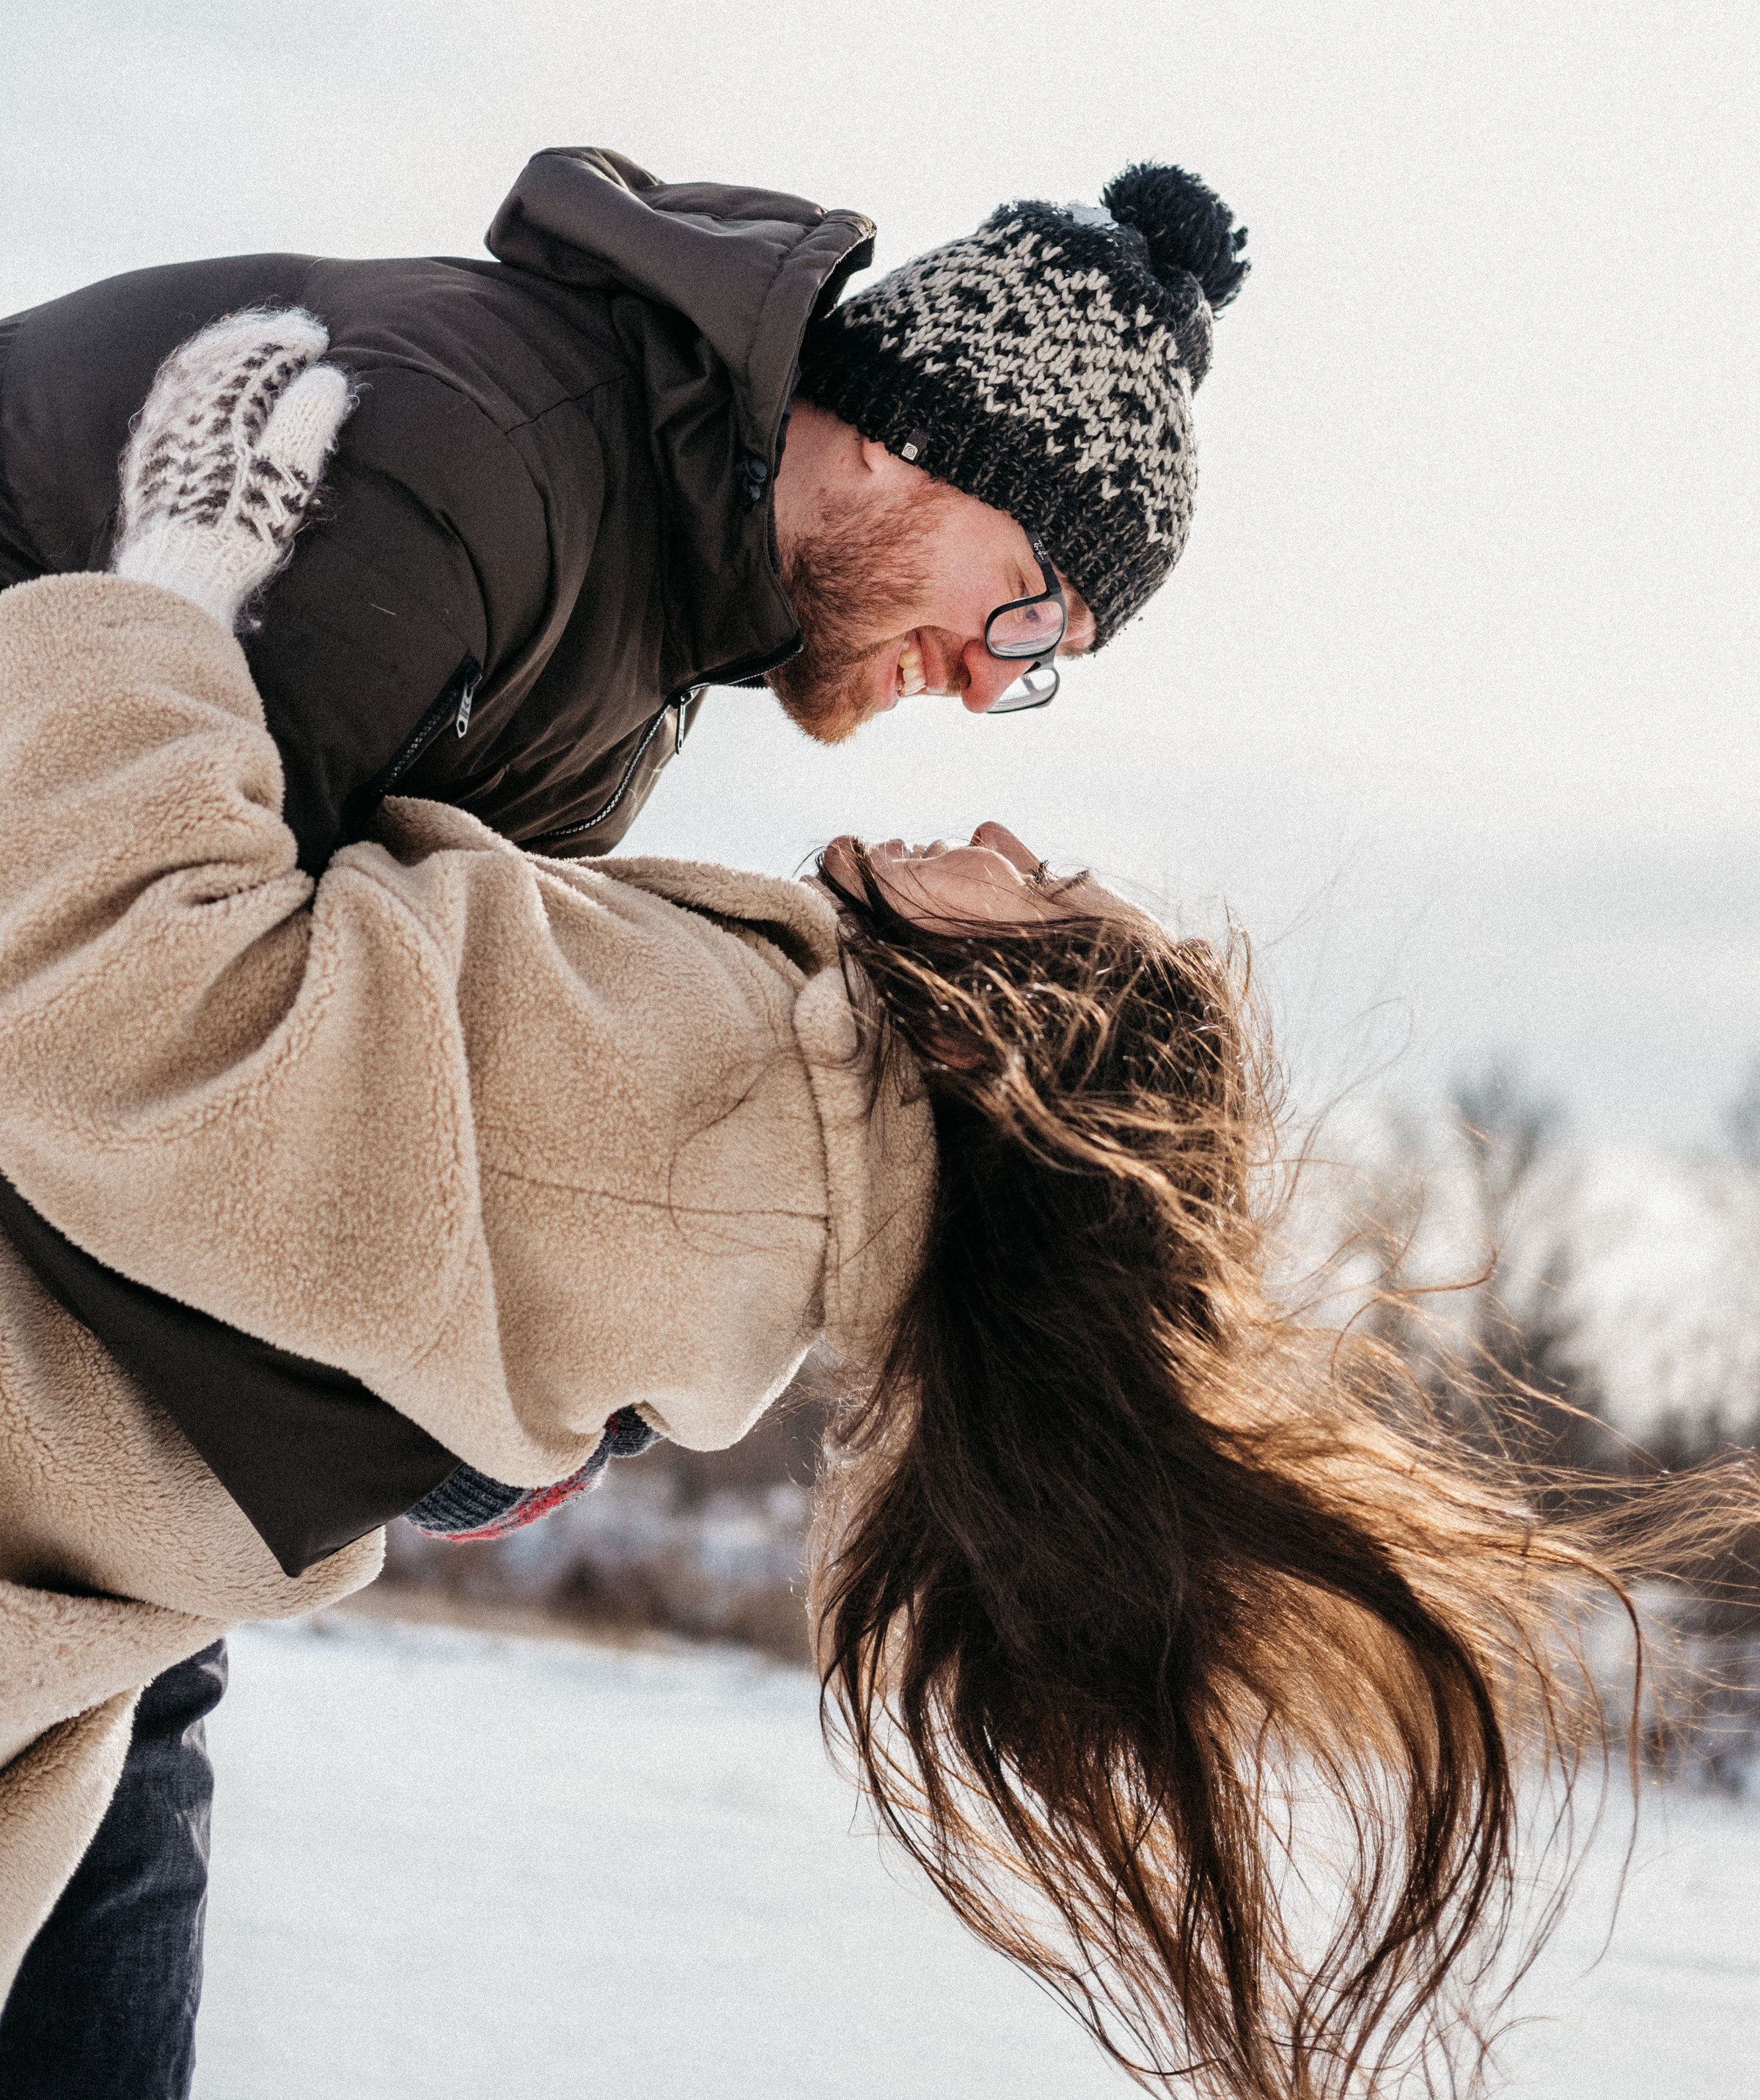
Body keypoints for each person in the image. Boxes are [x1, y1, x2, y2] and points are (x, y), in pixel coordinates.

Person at [0, 326, 1722, 2100]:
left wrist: (170, 588)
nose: (1002, 823)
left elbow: (133, 1011)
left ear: (1009, 1035)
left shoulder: (730, 1107)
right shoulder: (787, 1150)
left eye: (1046, 886)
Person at [0, 142, 1251, 2091]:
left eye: (1040, 678)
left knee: (134, 1674)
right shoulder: (479, 467)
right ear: (917, 438)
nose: (983, 693)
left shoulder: (642, 645)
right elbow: (121, 1014)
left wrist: (500, 1382)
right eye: (1029, 614)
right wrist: (431, 1424)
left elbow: (377, 1058)